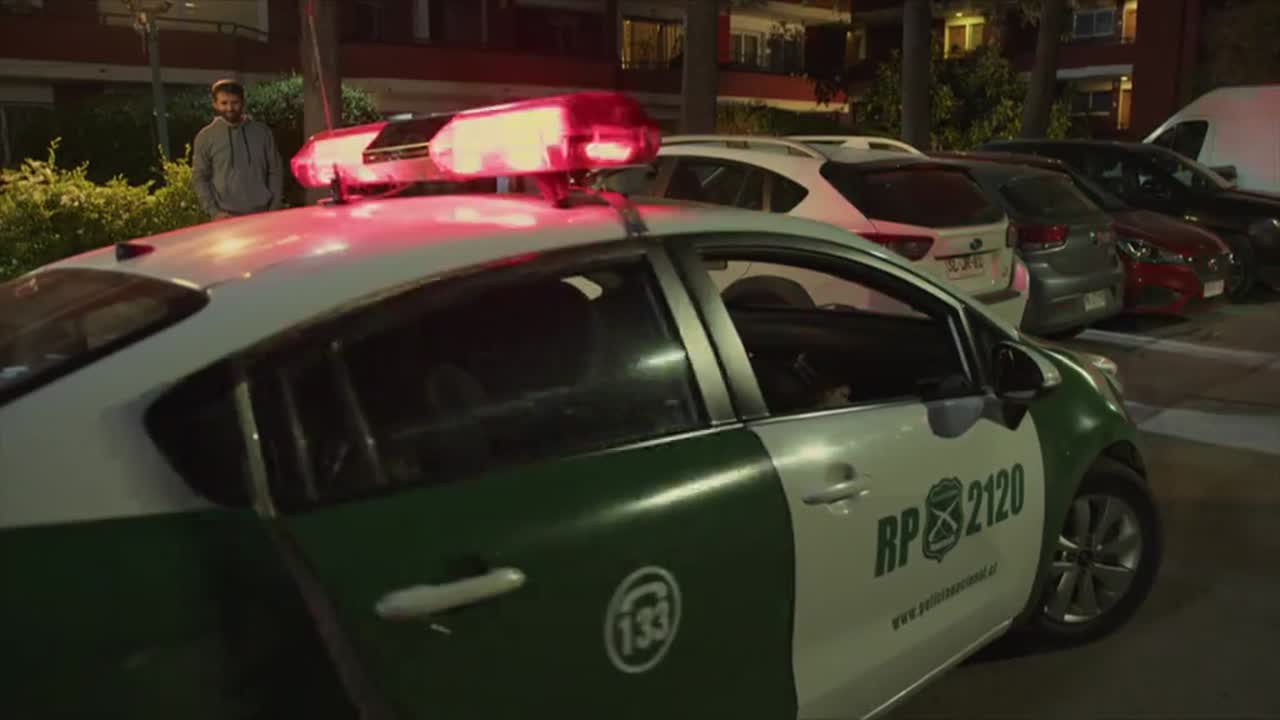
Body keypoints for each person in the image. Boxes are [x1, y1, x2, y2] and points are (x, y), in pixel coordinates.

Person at [192, 79, 283, 220]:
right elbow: (200, 178)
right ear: (215, 104)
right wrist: (213, 212)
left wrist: (274, 208)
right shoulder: (205, 137)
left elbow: (275, 171)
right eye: (224, 103)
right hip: (225, 217)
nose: (230, 108)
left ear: (243, 103)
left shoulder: (263, 132)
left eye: (235, 102)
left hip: (263, 214)